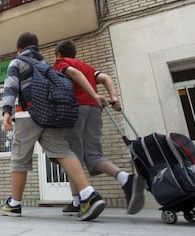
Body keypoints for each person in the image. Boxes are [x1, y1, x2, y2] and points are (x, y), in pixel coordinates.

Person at [0, 32, 107, 221]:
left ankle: (14, 204)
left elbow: (11, 87)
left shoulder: (17, 62)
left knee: (19, 157)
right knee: (63, 152)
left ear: (19, 48)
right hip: (50, 114)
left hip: (27, 114)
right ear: (37, 48)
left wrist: (7, 112)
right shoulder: (45, 64)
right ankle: (89, 194)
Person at [53, 40, 145, 215]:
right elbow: (105, 78)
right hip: (95, 110)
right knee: (93, 154)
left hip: (75, 110)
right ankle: (125, 178)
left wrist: (93, 94)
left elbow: (72, 73)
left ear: (58, 54)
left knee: (72, 157)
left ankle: (77, 201)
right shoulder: (87, 66)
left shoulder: (60, 64)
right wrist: (114, 97)